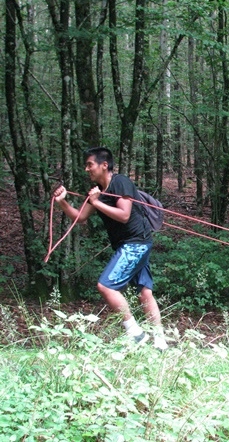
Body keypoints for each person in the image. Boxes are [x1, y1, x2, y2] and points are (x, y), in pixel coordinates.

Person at [52, 147, 167, 350]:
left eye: (90, 164)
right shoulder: (96, 192)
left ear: (104, 165)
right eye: (86, 165)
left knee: (106, 286)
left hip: (136, 242)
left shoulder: (120, 182)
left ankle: (135, 334)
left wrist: (97, 201)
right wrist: (62, 203)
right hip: (130, 244)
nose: (87, 169)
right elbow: (80, 218)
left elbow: (124, 214)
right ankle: (160, 341)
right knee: (144, 293)